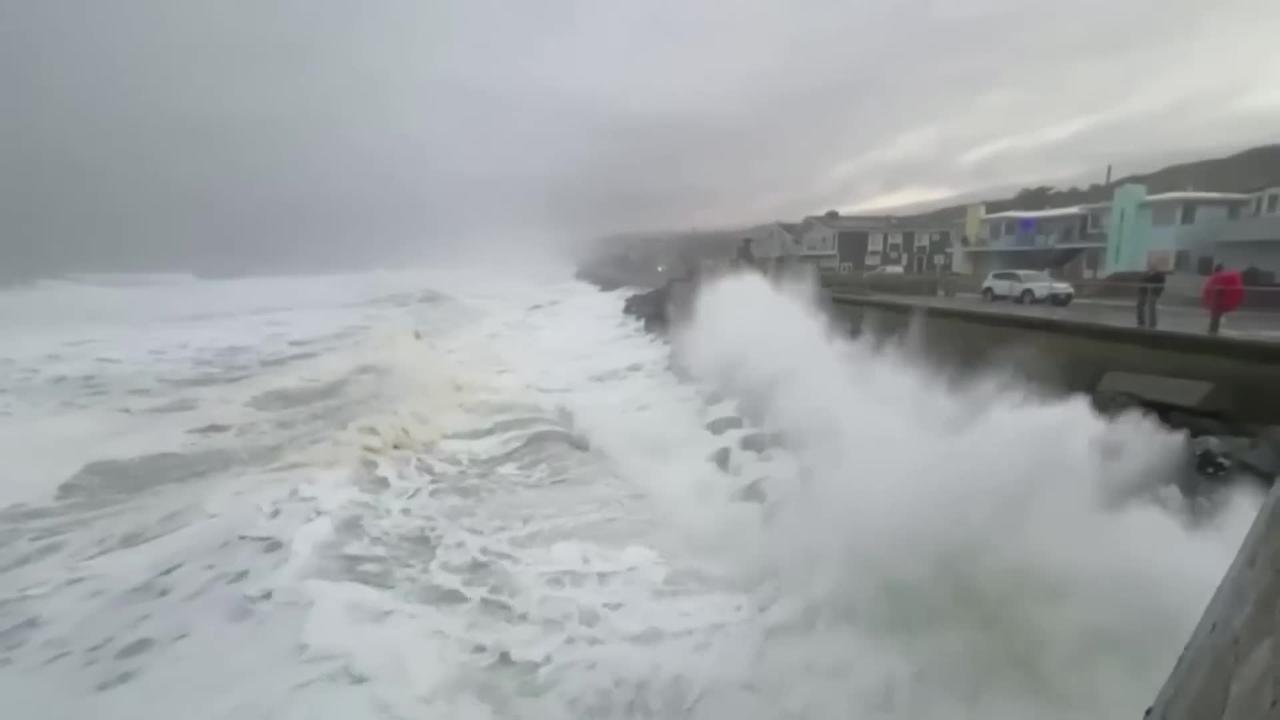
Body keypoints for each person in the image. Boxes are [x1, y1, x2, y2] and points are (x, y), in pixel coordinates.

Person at [1202, 263, 1244, 335]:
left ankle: (1213, 330)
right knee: (1216, 318)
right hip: (1218, 303)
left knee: (1215, 317)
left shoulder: (1214, 278)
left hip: (1215, 303)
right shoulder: (1220, 279)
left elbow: (1212, 291)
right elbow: (1221, 291)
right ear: (1221, 270)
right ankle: (1213, 330)